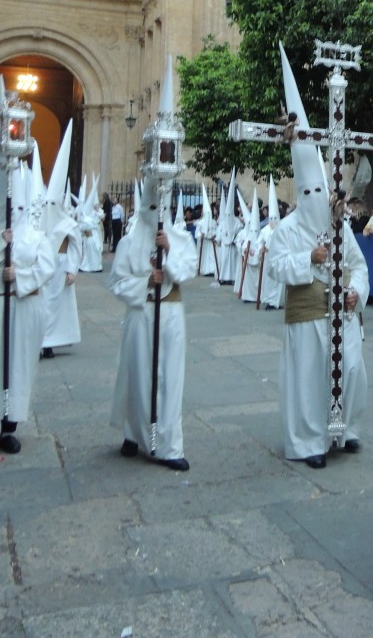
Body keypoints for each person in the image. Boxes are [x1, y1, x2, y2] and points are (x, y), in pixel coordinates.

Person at [267, 43, 369, 468]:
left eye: (319, 191)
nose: (315, 197)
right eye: (307, 191)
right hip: (307, 314)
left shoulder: (339, 223)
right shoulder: (287, 229)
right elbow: (275, 267)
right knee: (310, 380)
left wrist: (356, 294)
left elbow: (359, 266)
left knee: (350, 373)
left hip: (341, 314)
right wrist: (307, 258)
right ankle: (310, 442)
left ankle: (344, 430)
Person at [109, 63, 197, 470]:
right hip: (143, 315)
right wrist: (147, 279)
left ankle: (169, 444)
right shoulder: (130, 239)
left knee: (170, 379)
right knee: (139, 376)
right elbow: (118, 281)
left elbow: (189, 270)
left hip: (172, 313)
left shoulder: (177, 235)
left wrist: (170, 260)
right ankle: (134, 433)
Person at [0, 151, 56, 454]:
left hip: (24, 307)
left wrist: (17, 276)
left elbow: (46, 268)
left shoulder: (36, 236)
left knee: (18, 365)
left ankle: (10, 424)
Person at [39, 123, 83, 359]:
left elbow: (76, 245)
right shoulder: (40, 222)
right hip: (44, 268)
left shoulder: (68, 223)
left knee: (57, 306)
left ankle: (52, 341)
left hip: (62, 265)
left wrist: (72, 269)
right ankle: (41, 339)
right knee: (43, 304)